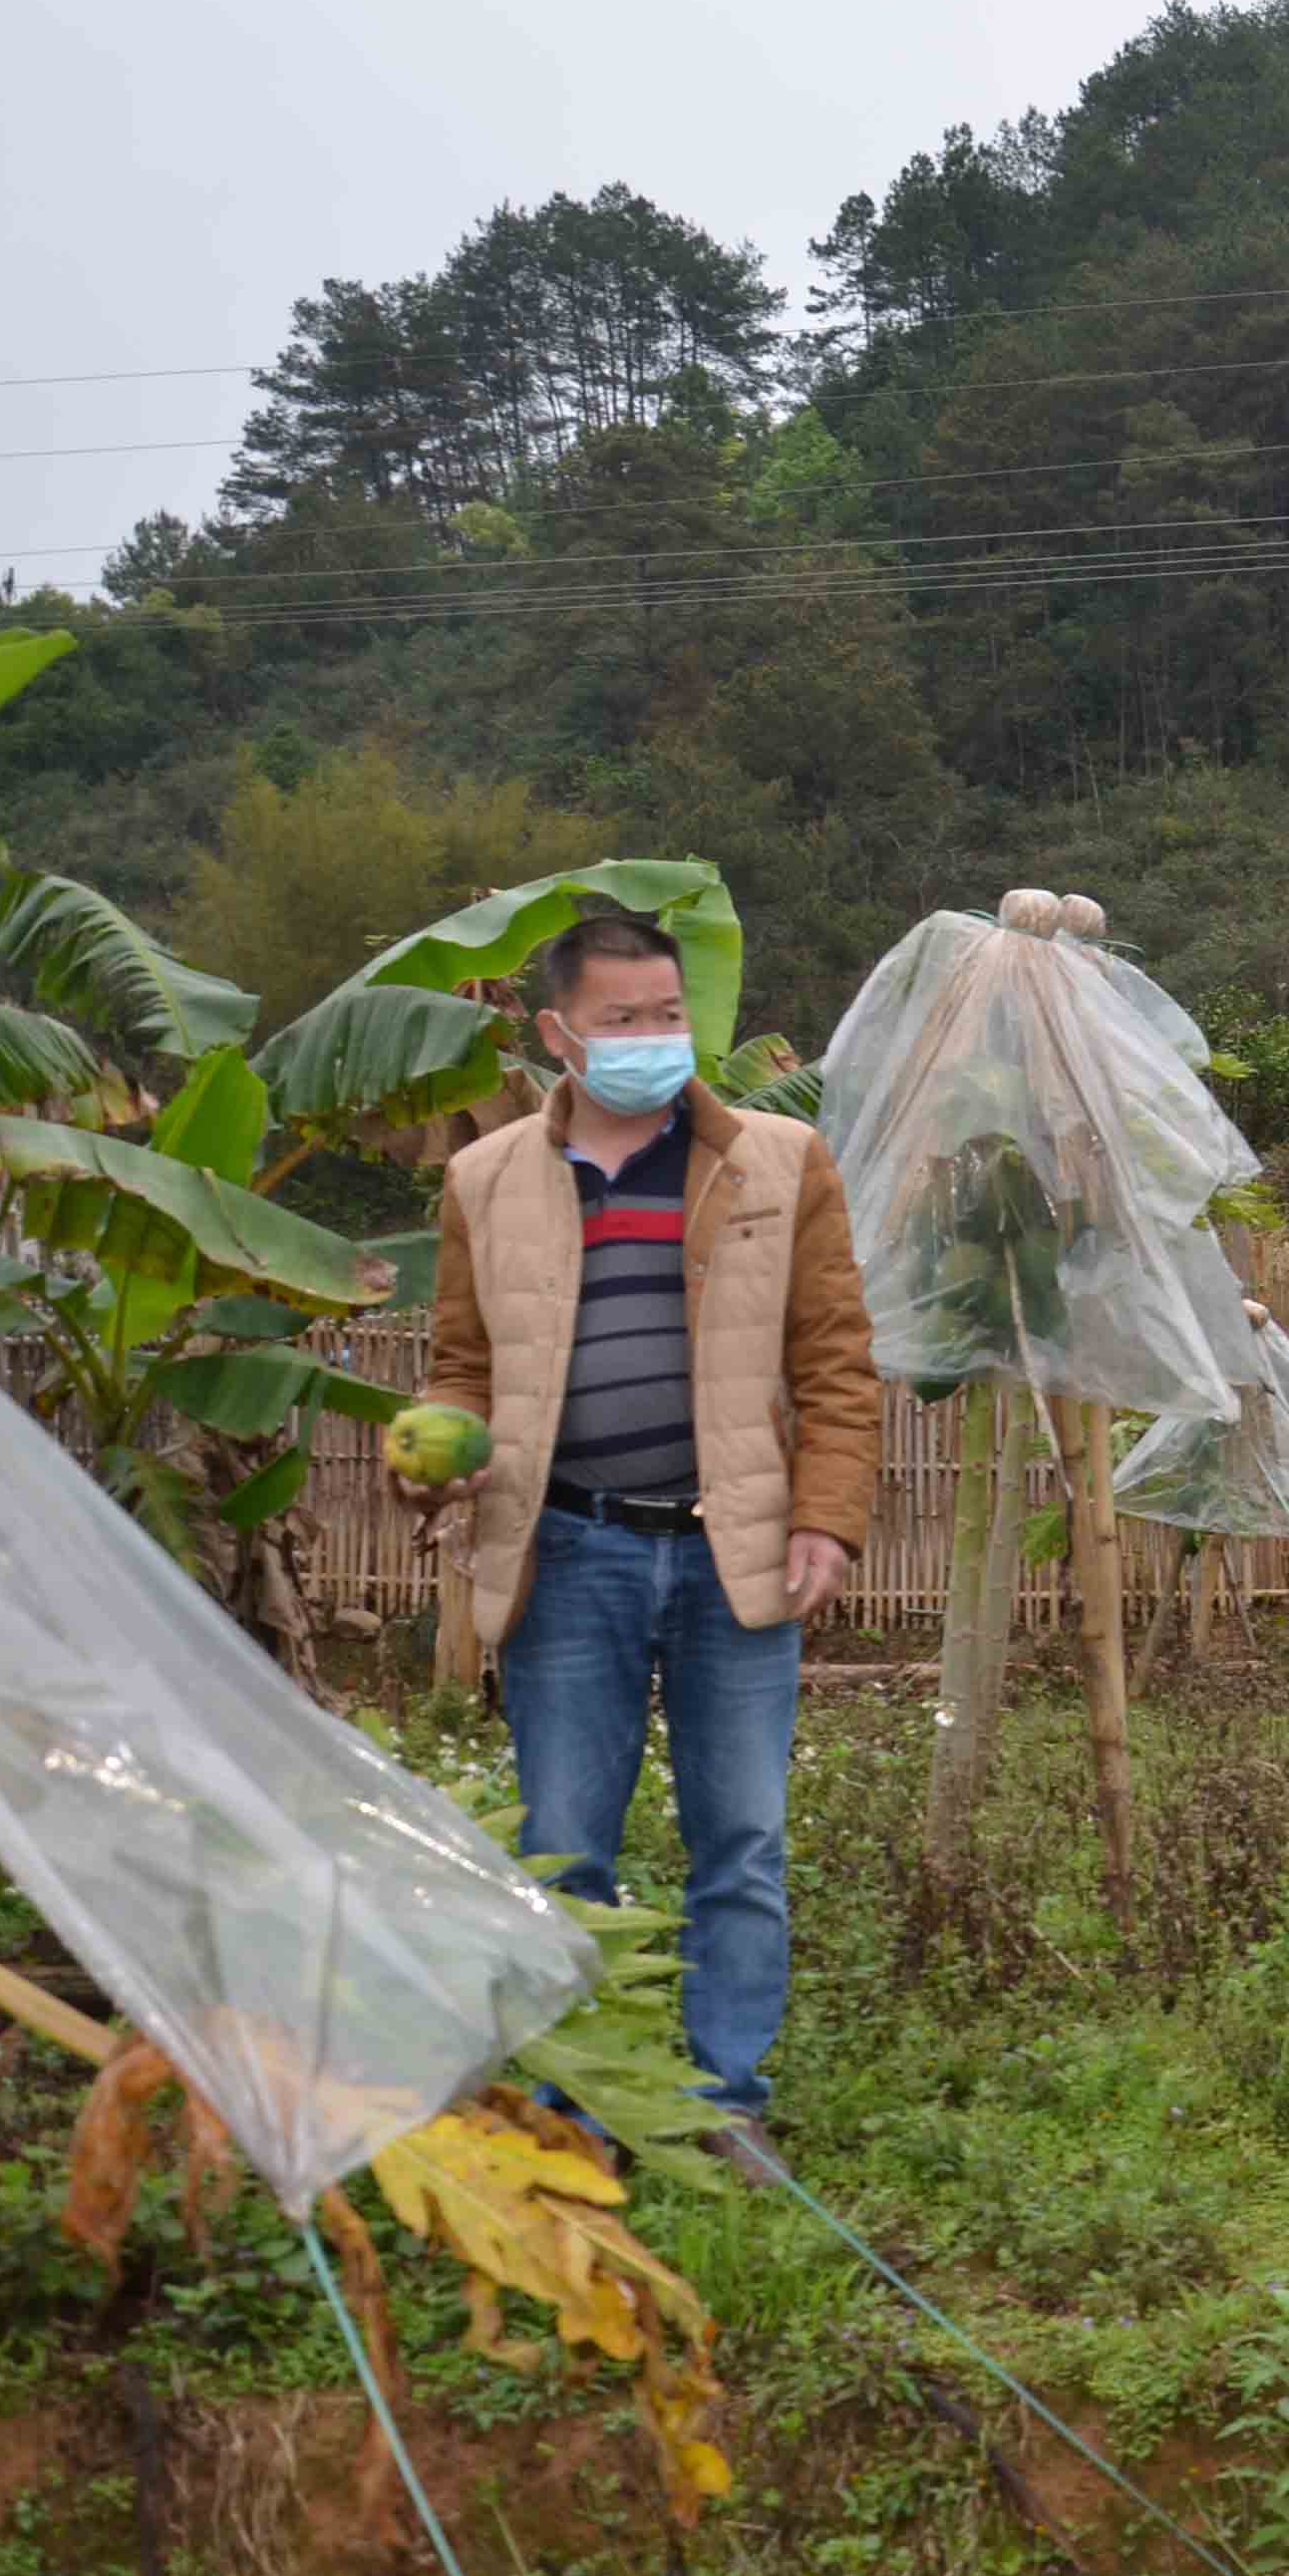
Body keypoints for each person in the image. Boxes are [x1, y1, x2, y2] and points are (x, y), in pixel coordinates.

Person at [414, 911, 876, 2181]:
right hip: (567, 1553)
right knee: (567, 1850)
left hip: (735, 1548)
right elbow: (460, 1364)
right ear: (558, 1034)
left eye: (667, 1014)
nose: (653, 1040)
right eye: (622, 1021)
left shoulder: (780, 1161)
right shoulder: (486, 1180)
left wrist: (827, 1514)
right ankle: (586, 2113)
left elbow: (835, 1361)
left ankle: (728, 2103)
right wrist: (437, 1444)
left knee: (743, 1841)